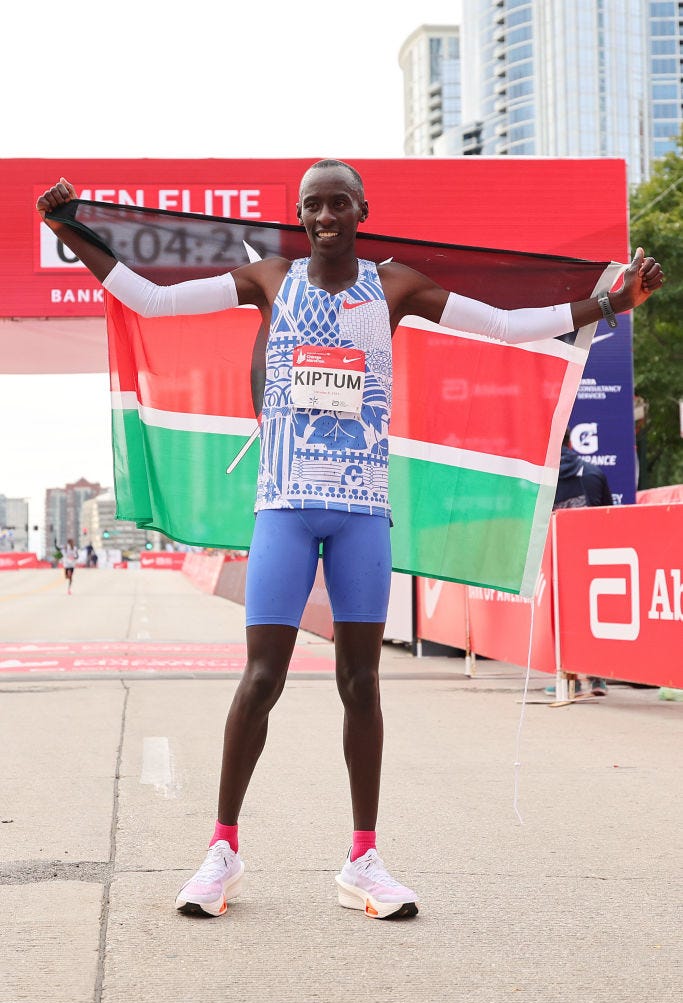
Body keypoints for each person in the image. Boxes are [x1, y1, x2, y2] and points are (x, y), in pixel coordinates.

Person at [36, 163, 664, 920]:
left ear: (362, 210)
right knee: (260, 678)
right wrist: (67, 230)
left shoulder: (394, 287)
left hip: (361, 509)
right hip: (285, 508)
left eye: (338, 203)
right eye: (312, 206)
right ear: (299, 217)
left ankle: (363, 859)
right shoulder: (271, 277)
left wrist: (607, 302)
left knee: (360, 684)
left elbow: (501, 322)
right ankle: (221, 851)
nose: (325, 215)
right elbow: (153, 298)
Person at [547, 434, 615, 698]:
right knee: (593, 616)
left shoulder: (543, 478)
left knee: (564, 616)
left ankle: (569, 679)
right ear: (571, 444)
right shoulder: (594, 473)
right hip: (594, 558)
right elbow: (609, 517)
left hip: (561, 559)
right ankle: (598, 678)